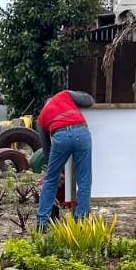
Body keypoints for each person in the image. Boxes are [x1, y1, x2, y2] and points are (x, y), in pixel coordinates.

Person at [36, 89, 94, 230]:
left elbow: (47, 149)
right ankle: (80, 221)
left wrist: (58, 171)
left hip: (60, 136)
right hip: (81, 132)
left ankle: (42, 223)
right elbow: (89, 101)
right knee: (84, 180)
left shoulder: (41, 117)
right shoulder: (64, 95)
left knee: (50, 180)